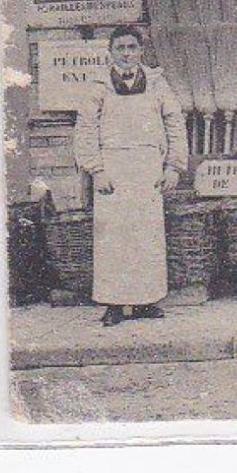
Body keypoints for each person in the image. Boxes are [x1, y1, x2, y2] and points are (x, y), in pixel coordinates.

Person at [73, 26, 188, 326]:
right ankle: (113, 303)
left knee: (146, 235)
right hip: (112, 169)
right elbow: (85, 129)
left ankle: (145, 302)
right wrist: (96, 170)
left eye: (132, 48)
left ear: (141, 51)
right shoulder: (98, 86)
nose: (127, 54)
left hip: (148, 168)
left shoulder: (157, 84)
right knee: (113, 237)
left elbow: (175, 123)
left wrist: (173, 166)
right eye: (121, 48)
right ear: (110, 52)